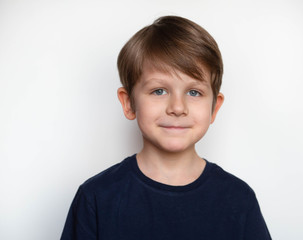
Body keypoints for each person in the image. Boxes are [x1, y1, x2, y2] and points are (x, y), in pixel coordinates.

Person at [60, 15, 272, 240]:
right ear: (129, 103)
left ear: (214, 108)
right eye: (159, 91)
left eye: (194, 92)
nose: (178, 108)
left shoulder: (238, 199)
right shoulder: (96, 198)